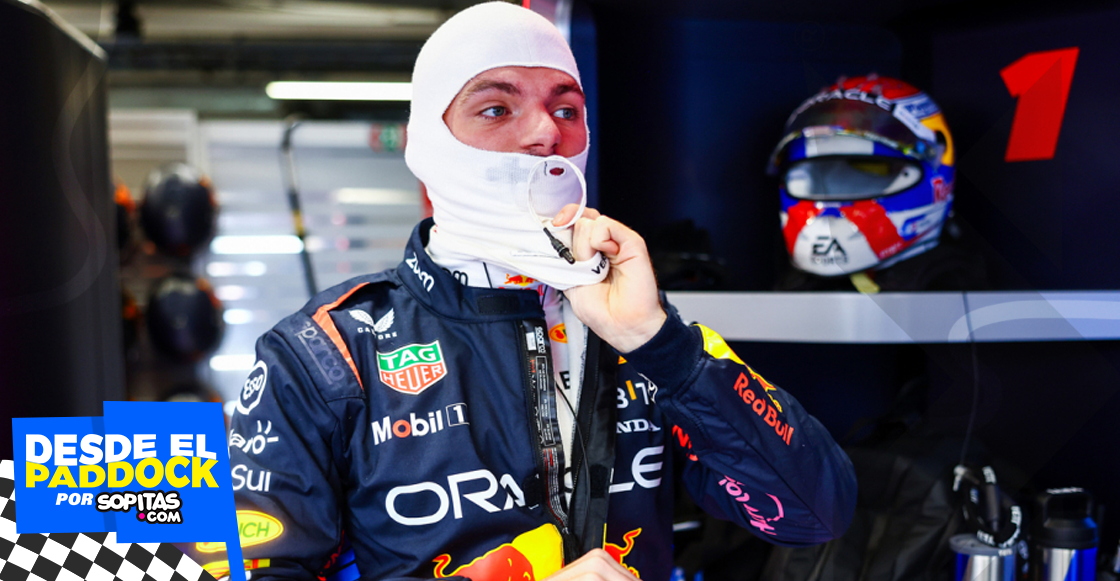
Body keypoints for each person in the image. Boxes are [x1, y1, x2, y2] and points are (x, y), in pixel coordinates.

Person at [218, 4, 857, 580]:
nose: (544, 132)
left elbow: (816, 516)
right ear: (426, 142)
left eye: (566, 109)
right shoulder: (316, 351)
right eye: (497, 108)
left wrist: (656, 342)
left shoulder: (631, 319)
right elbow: (177, 564)